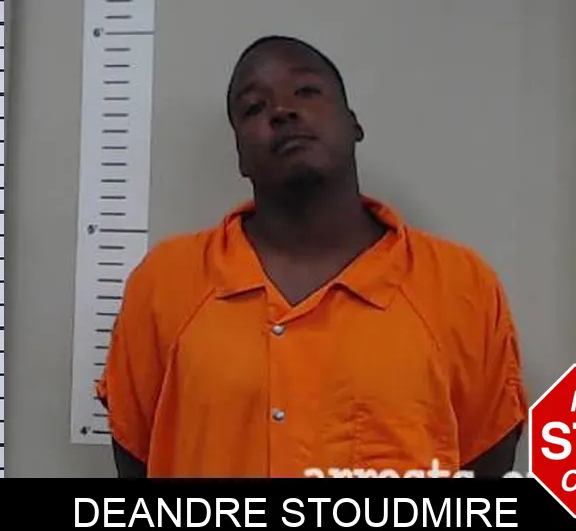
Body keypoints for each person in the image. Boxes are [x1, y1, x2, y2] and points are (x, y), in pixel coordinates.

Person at [96, 35, 528, 479]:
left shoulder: (460, 283)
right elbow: (137, 456)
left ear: (353, 123)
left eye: (306, 91)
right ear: (240, 156)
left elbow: (487, 460)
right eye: (254, 108)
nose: (282, 110)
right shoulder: (166, 282)